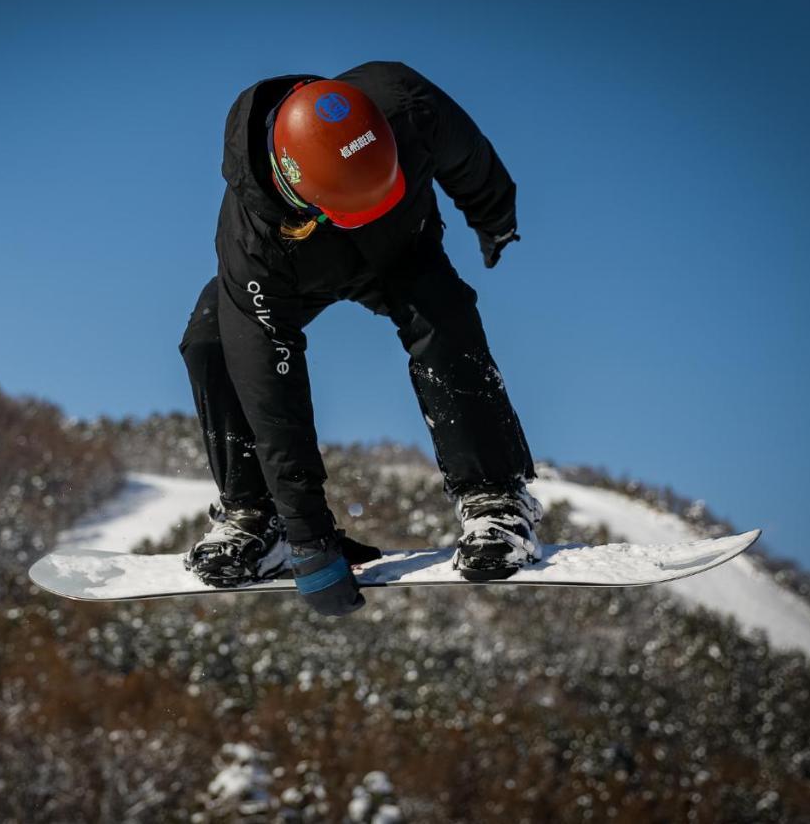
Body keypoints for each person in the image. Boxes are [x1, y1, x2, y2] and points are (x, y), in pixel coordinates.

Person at [179, 61, 541, 617]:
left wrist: (494, 216)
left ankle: (495, 498)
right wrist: (310, 542)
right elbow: (275, 405)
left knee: (445, 319)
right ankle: (256, 517)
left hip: (403, 250)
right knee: (211, 341)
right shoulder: (252, 243)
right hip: (295, 273)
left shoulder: (404, 100)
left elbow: (468, 154)